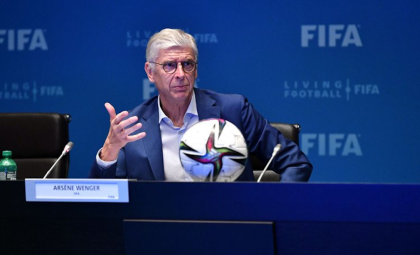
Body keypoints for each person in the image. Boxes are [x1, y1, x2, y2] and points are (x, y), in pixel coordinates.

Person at [89, 28, 312, 182]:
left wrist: (273, 209)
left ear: (196, 70)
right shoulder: (134, 127)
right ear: (150, 72)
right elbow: (102, 196)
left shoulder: (234, 110)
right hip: (161, 238)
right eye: (169, 65)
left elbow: (296, 163)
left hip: (230, 233)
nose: (180, 74)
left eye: (187, 64)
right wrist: (110, 151)